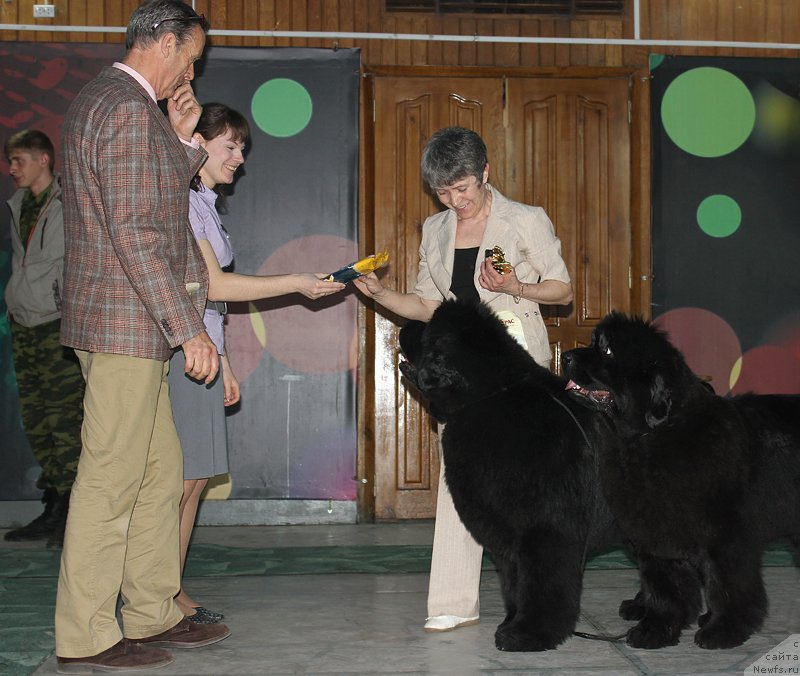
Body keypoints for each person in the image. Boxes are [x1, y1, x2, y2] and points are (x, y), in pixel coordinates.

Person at [54, 2, 231, 672]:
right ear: (163, 42)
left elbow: (153, 192)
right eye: (191, 56)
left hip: (129, 324)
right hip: (126, 323)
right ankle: (87, 635)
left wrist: (183, 141)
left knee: (158, 474)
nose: (194, 69)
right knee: (111, 482)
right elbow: (136, 231)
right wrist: (188, 327)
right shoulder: (125, 108)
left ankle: (152, 608)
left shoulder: (119, 104)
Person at [353, 126, 573, 632]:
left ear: (485, 174)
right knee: (461, 477)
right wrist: (380, 296)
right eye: (444, 193)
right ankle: (452, 600)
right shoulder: (436, 230)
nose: (455, 201)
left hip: (518, 369)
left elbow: (562, 291)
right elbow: (429, 305)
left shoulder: (525, 220)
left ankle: (541, 596)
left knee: (529, 484)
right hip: (463, 375)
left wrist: (515, 284)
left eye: (463, 189)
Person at [171, 102, 345, 624]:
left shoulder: (201, 201)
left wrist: (221, 360)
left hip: (201, 350)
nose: (240, 158)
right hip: (181, 352)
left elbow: (209, 301)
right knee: (179, 483)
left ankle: (167, 589)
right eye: (231, 146)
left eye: (242, 147)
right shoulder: (182, 200)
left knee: (194, 480)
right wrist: (295, 283)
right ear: (197, 144)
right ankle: (160, 594)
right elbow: (213, 286)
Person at [3, 129, 83, 549]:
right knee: (37, 421)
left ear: (44, 160)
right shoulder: (19, 206)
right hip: (24, 325)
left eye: (19, 160)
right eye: (11, 161)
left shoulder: (67, 202)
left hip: (56, 326)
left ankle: (74, 511)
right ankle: (54, 502)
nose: (12, 169)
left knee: (65, 420)